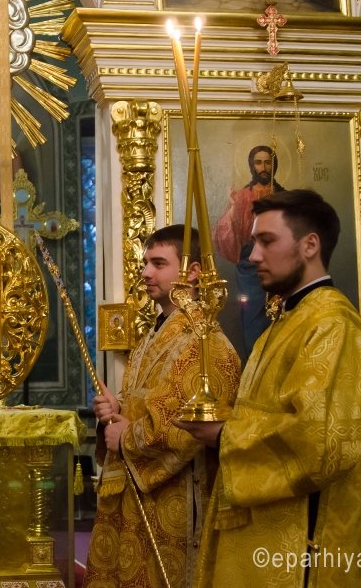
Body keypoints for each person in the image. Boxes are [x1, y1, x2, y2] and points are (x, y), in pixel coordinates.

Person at [178, 190, 361, 587]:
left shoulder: (332, 325)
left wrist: (223, 436)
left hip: (301, 552)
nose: (254, 256)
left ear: (310, 245)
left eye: (267, 241)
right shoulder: (287, 322)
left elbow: (321, 443)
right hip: (264, 538)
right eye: (254, 243)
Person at [85, 225, 240, 588]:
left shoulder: (206, 343)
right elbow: (148, 399)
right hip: (137, 495)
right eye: (145, 263)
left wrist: (127, 436)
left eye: (158, 263)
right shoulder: (152, 336)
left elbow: (190, 427)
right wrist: (116, 406)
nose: (145, 273)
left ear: (193, 272)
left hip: (177, 500)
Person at [213, 145, 285, 358]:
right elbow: (225, 234)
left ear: (274, 165)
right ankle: (254, 362)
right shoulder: (242, 197)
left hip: (280, 264)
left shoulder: (284, 196)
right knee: (252, 319)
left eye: (268, 162)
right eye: (258, 162)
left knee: (280, 318)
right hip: (249, 268)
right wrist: (232, 209)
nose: (263, 167)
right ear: (252, 166)